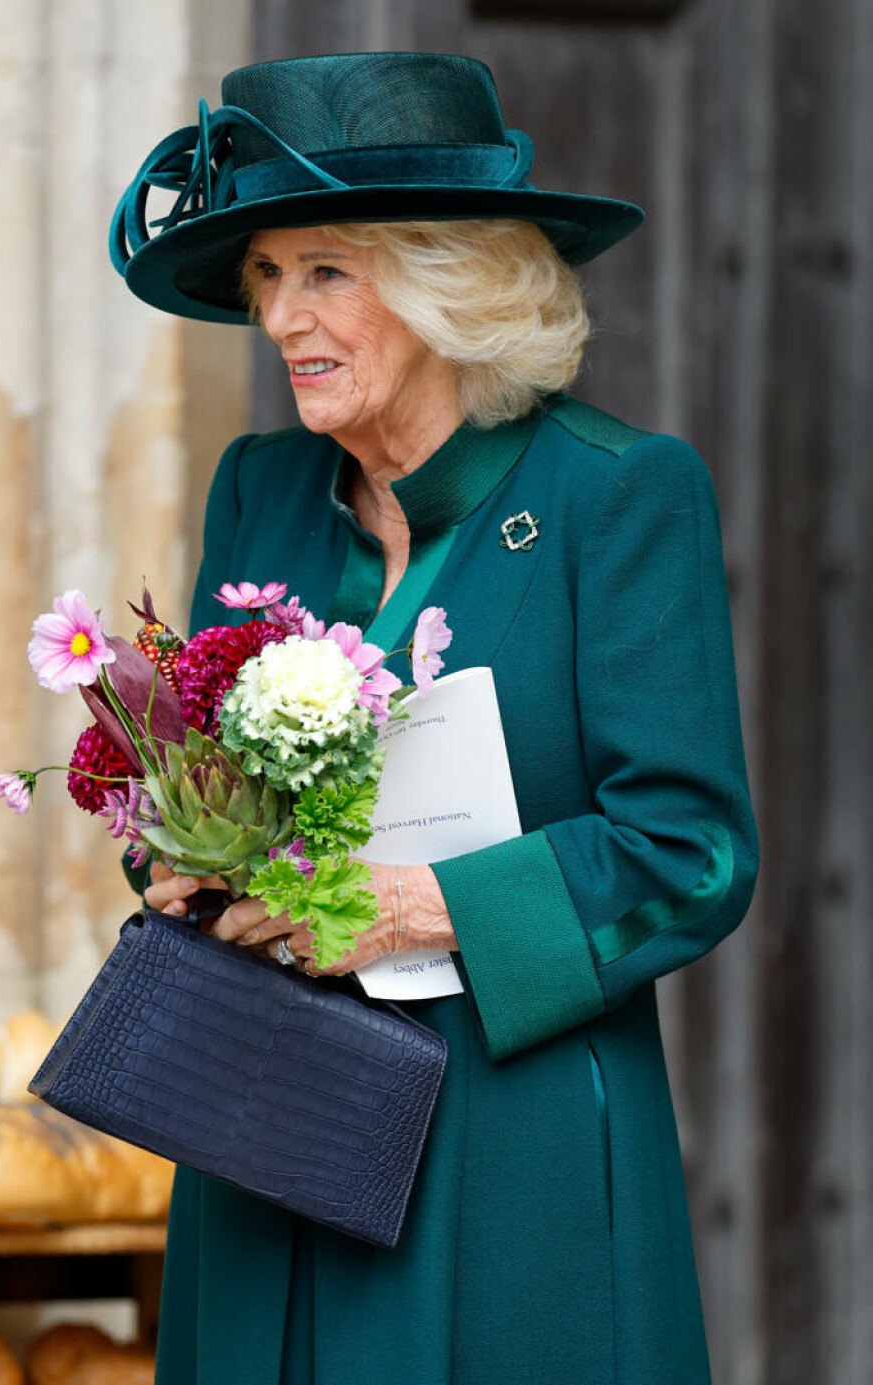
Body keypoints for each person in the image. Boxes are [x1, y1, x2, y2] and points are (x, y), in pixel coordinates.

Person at [112, 52, 759, 1385]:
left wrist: (426, 905)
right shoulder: (263, 489)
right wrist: (176, 847)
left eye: (330, 271)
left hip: (501, 1148)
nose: (286, 317)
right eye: (269, 276)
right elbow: (191, 773)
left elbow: (690, 850)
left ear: (450, 285)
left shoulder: (619, 496)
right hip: (267, 1123)